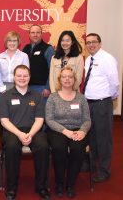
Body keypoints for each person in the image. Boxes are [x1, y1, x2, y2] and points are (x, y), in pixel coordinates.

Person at [0, 65, 50, 200]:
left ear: (29, 77)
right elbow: (4, 121)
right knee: (12, 147)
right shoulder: (5, 96)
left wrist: (30, 134)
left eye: (25, 76)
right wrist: (20, 134)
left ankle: (41, 187)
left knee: (43, 147)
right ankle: (11, 188)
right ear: (14, 77)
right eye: (19, 75)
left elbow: (40, 120)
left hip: (33, 130)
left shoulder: (37, 96)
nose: (22, 78)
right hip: (12, 130)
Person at [45, 67, 91, 198]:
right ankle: (59, 184)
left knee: (77, 149)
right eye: (64, 76)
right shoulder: (53, 98)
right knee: (59, 148)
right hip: (57, 129)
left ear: (74, 80)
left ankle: (70, 184)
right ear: (59, 79)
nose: (67, 79)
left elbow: (87, 120)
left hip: (77, 130)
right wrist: (65, 131)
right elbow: (49, 119)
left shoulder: (81, 98)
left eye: (70, 77)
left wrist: (82, 131)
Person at [84, 33, 119, 183]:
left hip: (102, 102)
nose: (91, 45)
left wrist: (109, 98)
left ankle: (104, 170)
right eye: (88, 42)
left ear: (100, 43)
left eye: (94, 42)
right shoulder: (88, 59)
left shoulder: (107, 59)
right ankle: (92, 164)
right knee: (91, 135)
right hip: (89, 102)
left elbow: (114, 82)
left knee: (103, 137)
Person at [22, 24, 54, 99]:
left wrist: (48, 87)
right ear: (29, 35)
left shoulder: (48, 49)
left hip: (42, 88)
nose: (35, 35)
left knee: (41, 110)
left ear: (41, 34)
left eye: (38, 32)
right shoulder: (26, 48)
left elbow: (53, 70)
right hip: (27, 87)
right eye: (33, 32)